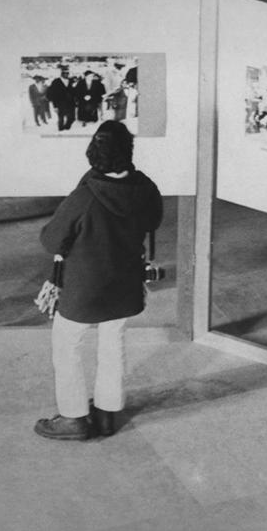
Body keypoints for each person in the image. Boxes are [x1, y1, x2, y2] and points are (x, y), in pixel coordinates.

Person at [34, 120, 164, 441]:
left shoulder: (85, 196)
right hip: (125, 285)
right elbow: (153, 220)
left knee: (68, 346)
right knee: (112, 344)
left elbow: (52, 240)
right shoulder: (145, 187)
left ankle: (74, 417)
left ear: (94, 152)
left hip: (84, 290)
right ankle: (107, 413)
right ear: (128, 152)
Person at [46, 66, 77, 131]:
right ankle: (61, 130)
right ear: (61, 73)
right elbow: (51, 93)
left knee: (72, 118)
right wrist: (55, 106)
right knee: (61, 118)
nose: (66, 74)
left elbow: (75, 92)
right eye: (64, 73)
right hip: (60, 103)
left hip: (70, 103)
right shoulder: (56, 81)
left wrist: (74, 88)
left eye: (67, 73)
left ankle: (67, 128)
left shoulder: (71, 81)